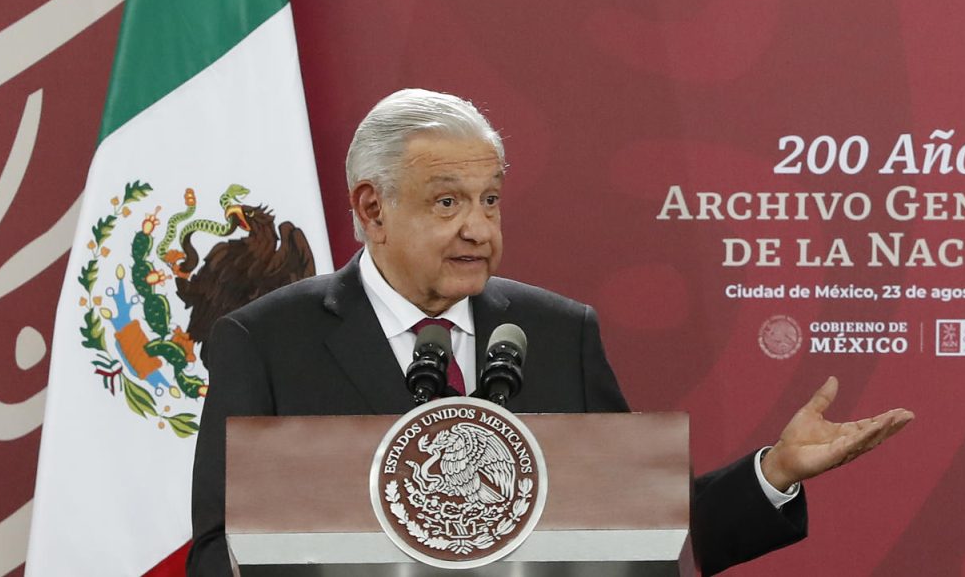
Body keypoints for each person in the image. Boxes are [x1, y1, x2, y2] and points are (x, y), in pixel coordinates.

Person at [189, 90, 912, 575]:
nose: (479, 228)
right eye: (448, 202)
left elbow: (638, 528)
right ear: (373, 210)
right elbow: (220, 554)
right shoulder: (266, 342)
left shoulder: (556, 332)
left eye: (491, 200)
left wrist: (774, 474)